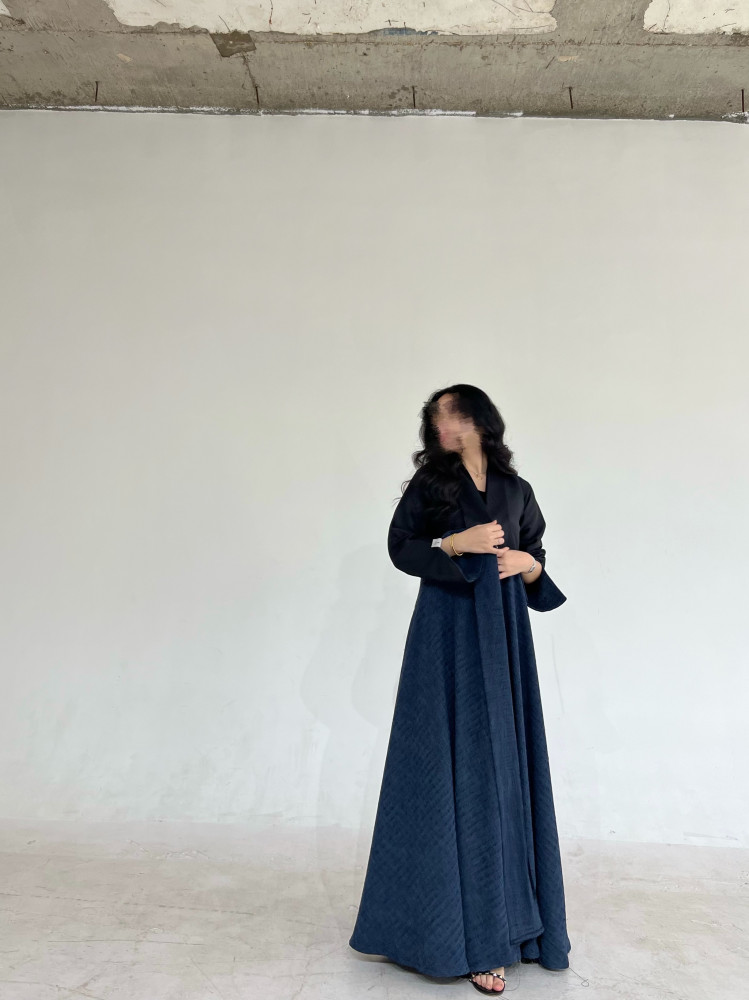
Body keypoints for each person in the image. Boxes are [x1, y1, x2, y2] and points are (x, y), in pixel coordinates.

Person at [349, 384, 571, 995]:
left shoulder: (516, 489)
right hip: (445, 634)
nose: (435, 426)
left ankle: (510, 928)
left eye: (443, 415)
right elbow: (400, 545)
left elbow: (535, 552)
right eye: (433, 419)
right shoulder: (432, 485)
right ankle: (461, 935)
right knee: (447, 771)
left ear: (473, 419)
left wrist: (528, 566)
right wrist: (452, 543)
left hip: (503, 636)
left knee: (502, 769)